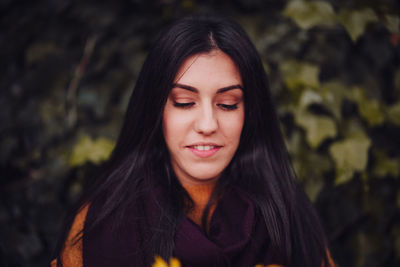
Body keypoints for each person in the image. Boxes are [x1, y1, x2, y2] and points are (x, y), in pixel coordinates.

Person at [53, 15, 334, 267]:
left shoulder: (289, 215)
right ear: (156, 110)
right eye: (185, 103)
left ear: (250, 113)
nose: (207, 125)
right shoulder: (106, 219)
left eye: (227, 104)